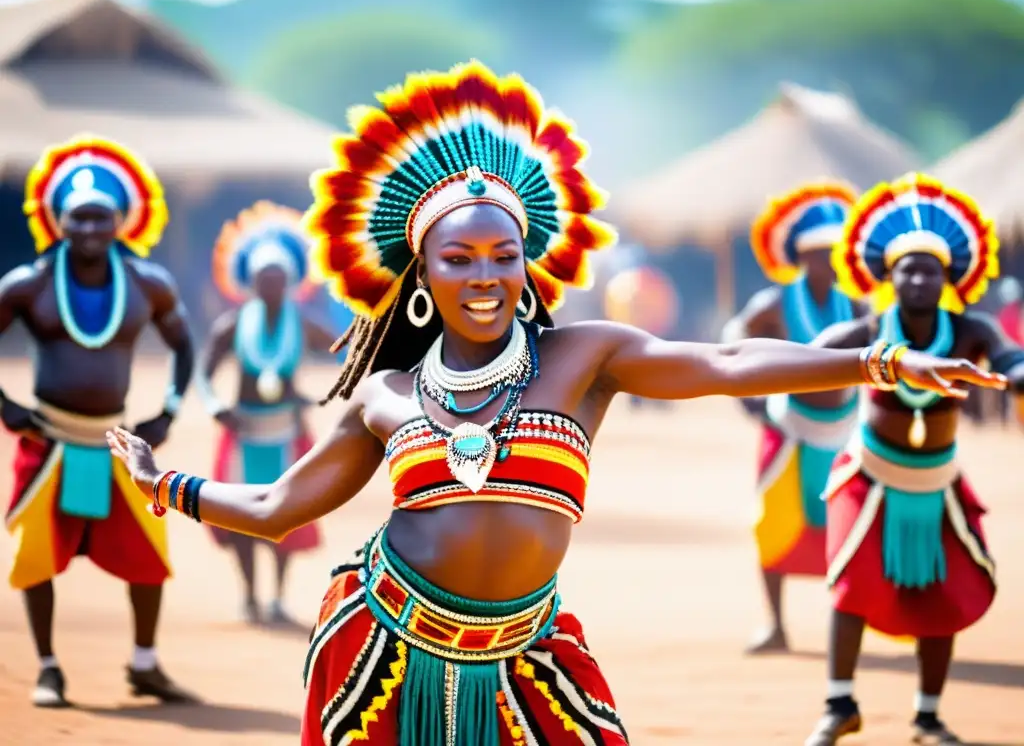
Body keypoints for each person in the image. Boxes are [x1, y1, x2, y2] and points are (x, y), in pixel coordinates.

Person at [105, 62, 1005, 746]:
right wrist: (164, 485)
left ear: (529, 263)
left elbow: (729, 361)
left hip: (527, 655)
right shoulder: (386, 394)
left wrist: (879, 362)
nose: (486, 273)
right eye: (459, 259)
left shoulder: (585, 358)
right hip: (382, 648)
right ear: (421, 276)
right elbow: (275, 506)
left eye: (505, 254)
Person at [802, 173, 1024, 746]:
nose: (921, 278)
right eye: (909, 269)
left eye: (932, 270)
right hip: (869, 477)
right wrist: (782, 375)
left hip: (938, 483)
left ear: (947, 280)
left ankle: (927, 717)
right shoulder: (871, 329)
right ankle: (839, 705)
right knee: (851, 588)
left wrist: (1017, 375)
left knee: (942, 596)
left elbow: (1008, 354)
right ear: (889, 278)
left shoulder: (969, 329)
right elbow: (811, 357)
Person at [2, 135, 196, 707]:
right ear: (58, 221)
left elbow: (184, 348)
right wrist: (6, 407)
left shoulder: (149, 283)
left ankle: (145, 663)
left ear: (121, 222)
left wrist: (169, 411)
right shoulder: (28, 284)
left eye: (100, 218)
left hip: (118, 443)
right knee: (35, 555)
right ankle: (47, 667)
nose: (89, 229)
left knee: (150, 554)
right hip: (48, 440)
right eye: (78, 218)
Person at [721, 181, 868, 653]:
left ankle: (851, 620)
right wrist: (750, 400)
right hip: (788, 430)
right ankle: (776, 625)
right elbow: (734, 337)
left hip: (845, 431)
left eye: (837, 252)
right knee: (772, 526)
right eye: (822, 252)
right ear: (802, 257)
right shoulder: (774, 304)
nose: (830, 261)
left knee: (851, 525)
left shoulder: (857, 305)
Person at [199, 201, 338, 625]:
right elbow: (204, 375)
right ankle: (249, 596)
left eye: (278, 279)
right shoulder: (233, 324)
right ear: (250, 281)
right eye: (263, 279)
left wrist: (310, 396)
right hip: (243, 433)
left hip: (287, 432)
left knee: (285, 516)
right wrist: (216, 406)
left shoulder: (304, 323)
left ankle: (277, 597)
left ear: (291, 281)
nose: (271, 287)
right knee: (240, 516)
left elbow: (344, 352)